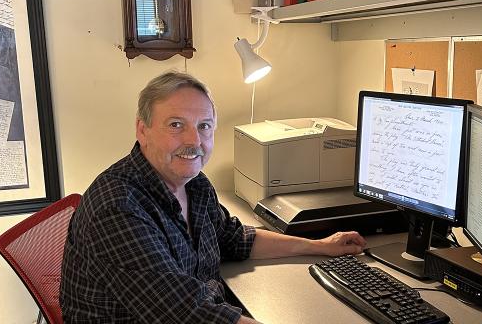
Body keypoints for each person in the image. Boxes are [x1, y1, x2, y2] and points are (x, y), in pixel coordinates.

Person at [60, 71, 367, 324]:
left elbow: (232, 238)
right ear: (143, 130)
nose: (194, 141)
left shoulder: (195, 184)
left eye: (204, 127)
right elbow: (186, 315)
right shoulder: (119, 207)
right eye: (176, 125)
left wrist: (320, 246)